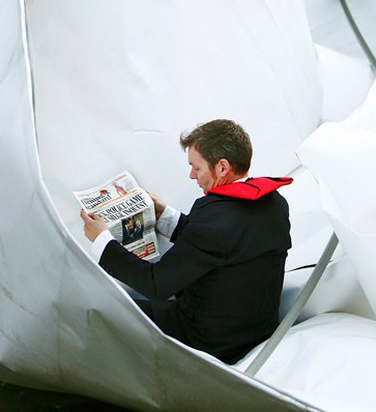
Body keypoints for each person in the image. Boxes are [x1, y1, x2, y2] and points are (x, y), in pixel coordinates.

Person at [81, 119, 292, 364]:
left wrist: (102, 240)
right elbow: (223, 245)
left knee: (106, 308)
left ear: (222, 167)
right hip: (256, 332)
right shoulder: (275, 203)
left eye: (196, 167)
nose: (192, 175)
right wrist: (166, 216)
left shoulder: (213, 221)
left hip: (210, 341)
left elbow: (156, 285)